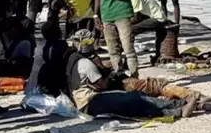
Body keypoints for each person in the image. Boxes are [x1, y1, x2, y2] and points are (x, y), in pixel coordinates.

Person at [52, 26, 197, 120]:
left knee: (133, 101)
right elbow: (103, 84)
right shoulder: (86, 63)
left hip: (84, 100)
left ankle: (180, 105)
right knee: (133, 101)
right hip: (89, 102)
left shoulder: (72, 58)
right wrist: (108, 72)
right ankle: (180, 107)